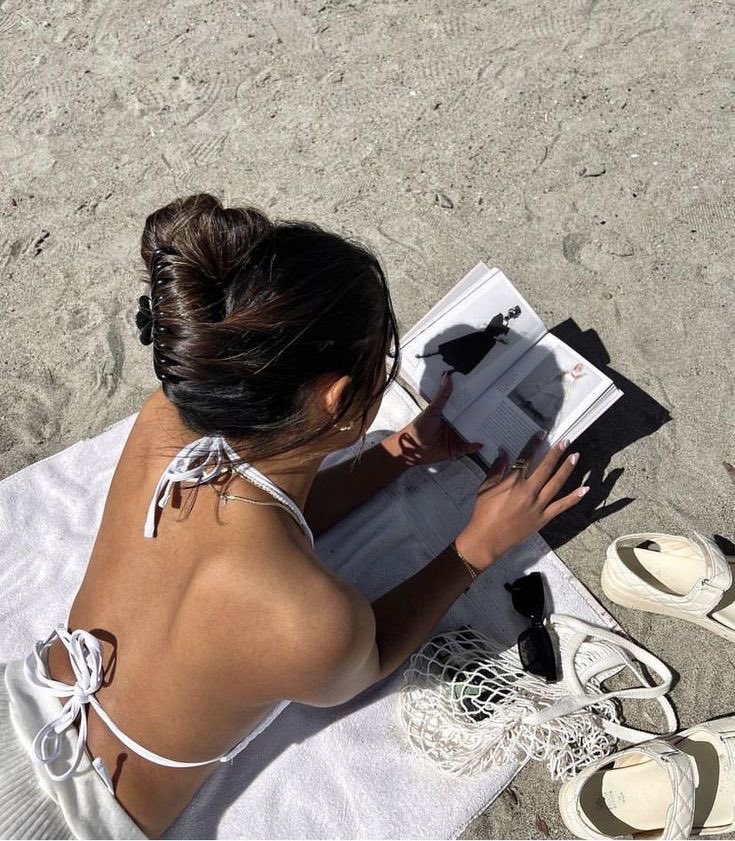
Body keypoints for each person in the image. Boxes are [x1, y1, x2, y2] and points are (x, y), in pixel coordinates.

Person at [0, 194, 588, 839]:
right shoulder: (309, 620)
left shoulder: (162, 424)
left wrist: (395, 454)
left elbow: (271, 509)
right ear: (338, 398)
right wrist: (476, 546)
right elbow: (373, 657)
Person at [415, 305, 522, 375]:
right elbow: (491, 327)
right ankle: (428, 354)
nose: (512, 315)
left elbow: (501, 335)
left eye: (514, 315)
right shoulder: (499, 317)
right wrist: (497, 337)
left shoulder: (507, 325)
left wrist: (500, 340)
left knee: (470, 359)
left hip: (488, 344)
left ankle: (450, 372)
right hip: (481, 337)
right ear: (509, 311)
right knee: (457, 347)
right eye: (512, 313)